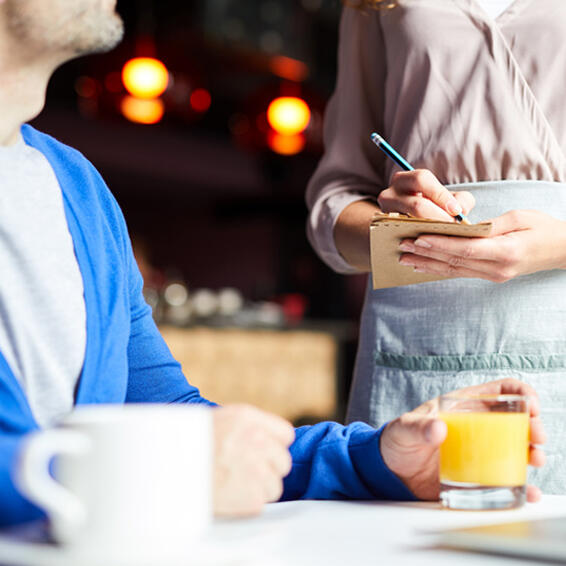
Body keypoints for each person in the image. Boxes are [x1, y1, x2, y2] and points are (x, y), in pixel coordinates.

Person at [0, 0, 545, 527]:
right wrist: (156, 477)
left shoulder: (78, 190)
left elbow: (169, 418)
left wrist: (375, 459)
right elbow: (176, 459)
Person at [306, 0, 566, 494]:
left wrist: (560, 244)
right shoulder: (370, 7)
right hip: (417, 330)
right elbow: (334, 203)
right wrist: (400, 232)